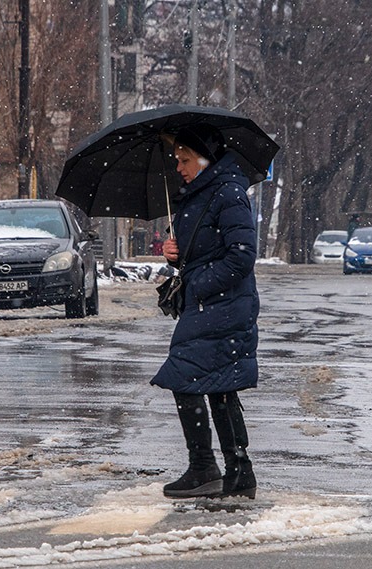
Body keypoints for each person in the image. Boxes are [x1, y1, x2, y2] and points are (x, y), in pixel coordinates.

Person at [151, 124, 259, 500]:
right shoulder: (196, 197)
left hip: (224, 305)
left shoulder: (227, 193)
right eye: (176, 160)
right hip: (211, 305)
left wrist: (197, 283)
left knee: (187, 377)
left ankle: (207, 468)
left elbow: (242, 255)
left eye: (184, 159)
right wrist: (175, 252)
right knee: (218, 385)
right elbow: (203, 250)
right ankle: (236, 470)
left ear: (203, 158)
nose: (178, 167)